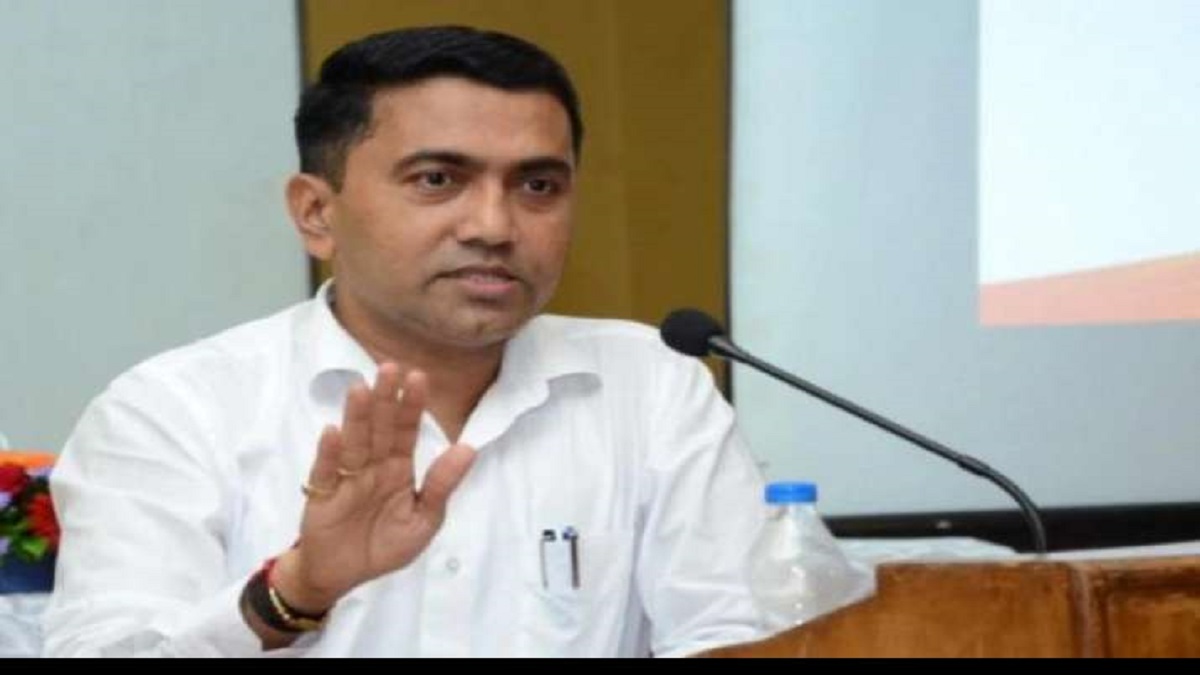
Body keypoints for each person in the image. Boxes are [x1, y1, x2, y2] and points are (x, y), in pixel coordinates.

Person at [43, 25, 766, 657]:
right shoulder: (175, 412)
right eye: (437, 179)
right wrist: (293, 591)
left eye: (538, 186)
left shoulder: (651, 385)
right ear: (316, 213)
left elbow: (733, 637)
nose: (494, 226)